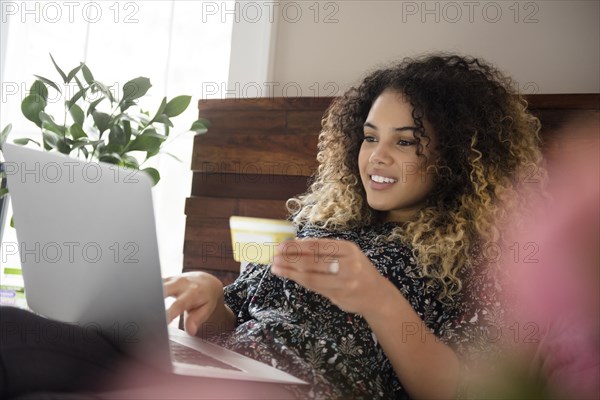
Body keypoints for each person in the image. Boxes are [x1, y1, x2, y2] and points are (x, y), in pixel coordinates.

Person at [1, 54, 546, 399]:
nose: (376, 156)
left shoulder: (490, 258)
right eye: (369, 135)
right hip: (227, 369)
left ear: (459, 155)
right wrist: (211, 296)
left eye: (405, 141)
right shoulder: (322, 222)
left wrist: (380, 300)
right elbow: (231, 317)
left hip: (308, 389)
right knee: (10, 327)